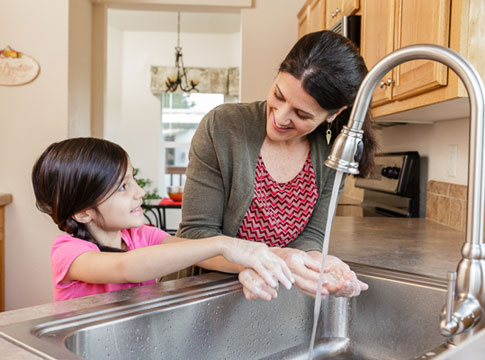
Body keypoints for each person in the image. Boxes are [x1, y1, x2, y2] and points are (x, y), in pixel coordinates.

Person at [177, 30, 378, 301]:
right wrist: (265, 259)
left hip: (278, 292)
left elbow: (313, 235)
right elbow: (194, 236)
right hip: (208, 294)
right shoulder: (223, 127)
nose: (280, 118)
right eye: (279, 96)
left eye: (302, 114)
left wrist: (319, 263)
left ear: (334, 114)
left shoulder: (334, 151)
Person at [32, 137, 294, 301]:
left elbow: (200, 255)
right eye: (123, 187)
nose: (140, 192)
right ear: (82, 212)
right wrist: (223, 243)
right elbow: (127, 267)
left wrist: (277, 259)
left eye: (133, 178)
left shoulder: (141, 236)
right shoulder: (68, 253)